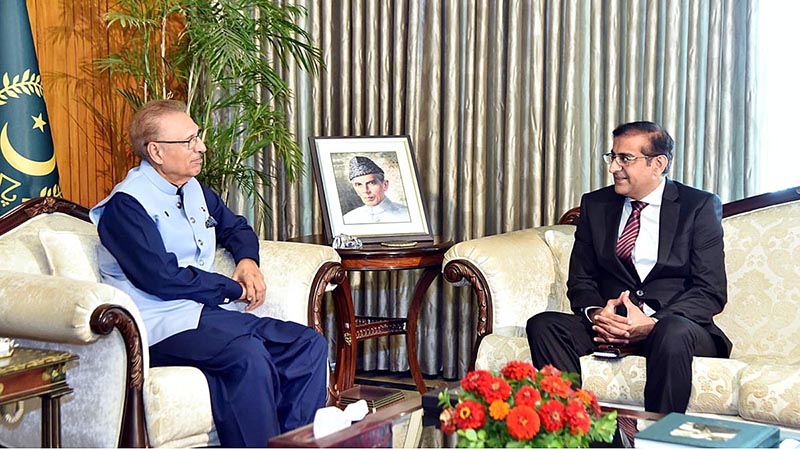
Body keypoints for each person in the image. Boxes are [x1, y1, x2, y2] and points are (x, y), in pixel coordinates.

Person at [89, 100, 327, 447]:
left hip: (201, 315)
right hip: (157, 325)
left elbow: (237, 228)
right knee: (248, 356)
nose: (201, 147)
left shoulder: (193, 189)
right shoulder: (126, 206)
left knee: (307, 344)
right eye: (189, 141)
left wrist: (247, 261)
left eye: (198, 137)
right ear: (155, 151)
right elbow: (161, 278)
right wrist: (231, 288)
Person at [525, 121, 730, 414]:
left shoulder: (697, 207)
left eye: (626, 159)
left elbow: (710, 291)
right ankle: (573, 432)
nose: (613, 168)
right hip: (611, 326)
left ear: (657, 164)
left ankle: (658, 440)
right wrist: (597, 314)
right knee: (544, 325)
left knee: (671, 332)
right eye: (613, 157)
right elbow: (581, 280)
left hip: (675, 327)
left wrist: (652, 323)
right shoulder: (596, 205)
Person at [342, 155, 410, 223]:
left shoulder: (407, 216)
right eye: (359, 184)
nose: (365, 190)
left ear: (385, 185)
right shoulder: (348, 219)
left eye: (371, 183)